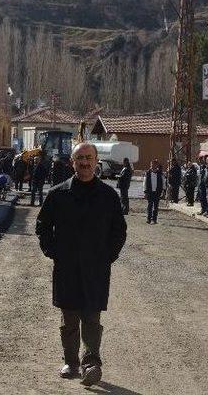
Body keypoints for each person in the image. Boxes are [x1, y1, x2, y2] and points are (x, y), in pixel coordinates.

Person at [36, 142, 127, 386]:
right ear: (72, 162)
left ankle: (91, 364)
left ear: (96, 161)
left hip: (96, 270)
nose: (85, 163)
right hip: (66, 268)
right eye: (80, 159)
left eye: (89, 158)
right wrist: (53, 252)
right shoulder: (58, 194)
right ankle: (71, 362)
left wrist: (108, 256)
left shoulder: (108, 196)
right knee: (69, 319)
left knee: (91, 318)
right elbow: (42, 226)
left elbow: (119, 230)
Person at [143, 159, 163, 224]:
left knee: (156, 206)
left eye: (154, 164)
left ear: (156, 165)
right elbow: (144, 183)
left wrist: (163, 191)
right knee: (150, 205)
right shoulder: (147, 173)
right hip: (150, 192)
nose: (152, 165)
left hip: (157, 192)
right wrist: (145, 192)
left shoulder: (160, 173)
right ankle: (148, 219)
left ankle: (154, 219)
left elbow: (163, 182)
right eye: (151, 164)